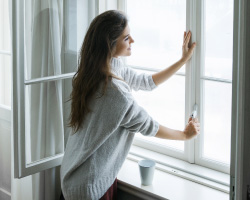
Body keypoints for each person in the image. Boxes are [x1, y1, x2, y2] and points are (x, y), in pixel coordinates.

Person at [60, 10, 200, 200]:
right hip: (88, 187)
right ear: (109, 44)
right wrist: (185, 135)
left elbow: (146, 82)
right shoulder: (116, 93)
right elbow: (148, 126)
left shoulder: (96, 70)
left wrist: (182, 60)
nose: (132, 41)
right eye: (126, 38)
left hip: (73, 175)